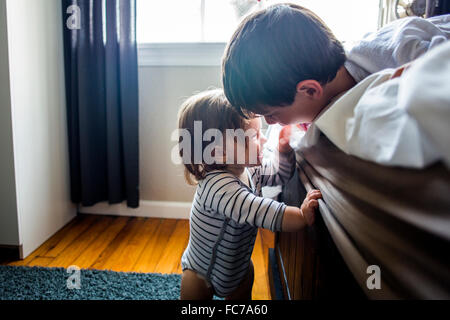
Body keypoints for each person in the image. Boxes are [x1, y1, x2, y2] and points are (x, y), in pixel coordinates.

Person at [177, 89, 322, 300]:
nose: (263, 140)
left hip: (237, 267)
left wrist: (283, 152)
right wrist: (300, 215)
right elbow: (262, 211)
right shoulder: (218, 187)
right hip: (201, 273)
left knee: (245, 285)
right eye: (253, 136)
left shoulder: (248, 169)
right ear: (220, 151)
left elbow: (277, 175)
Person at [222, 3, 450, 126]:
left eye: (270, 114)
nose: (271, 123)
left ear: (310, 89)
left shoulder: (395, 50)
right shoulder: (325, 94)